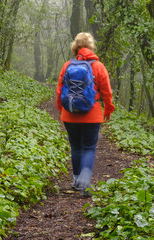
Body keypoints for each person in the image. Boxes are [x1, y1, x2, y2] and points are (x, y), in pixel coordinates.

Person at [56, 32, 115, 196]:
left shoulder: (68, 65)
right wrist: (108, 109)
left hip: (70, 114)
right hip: (92, 115)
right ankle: (85, 182)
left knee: (76, 147)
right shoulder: (99, 66)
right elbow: (107, 92)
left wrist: (61, 108)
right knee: (89, 148)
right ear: (91, 47)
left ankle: (76, 181)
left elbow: (60, 89)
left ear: (75, 47)